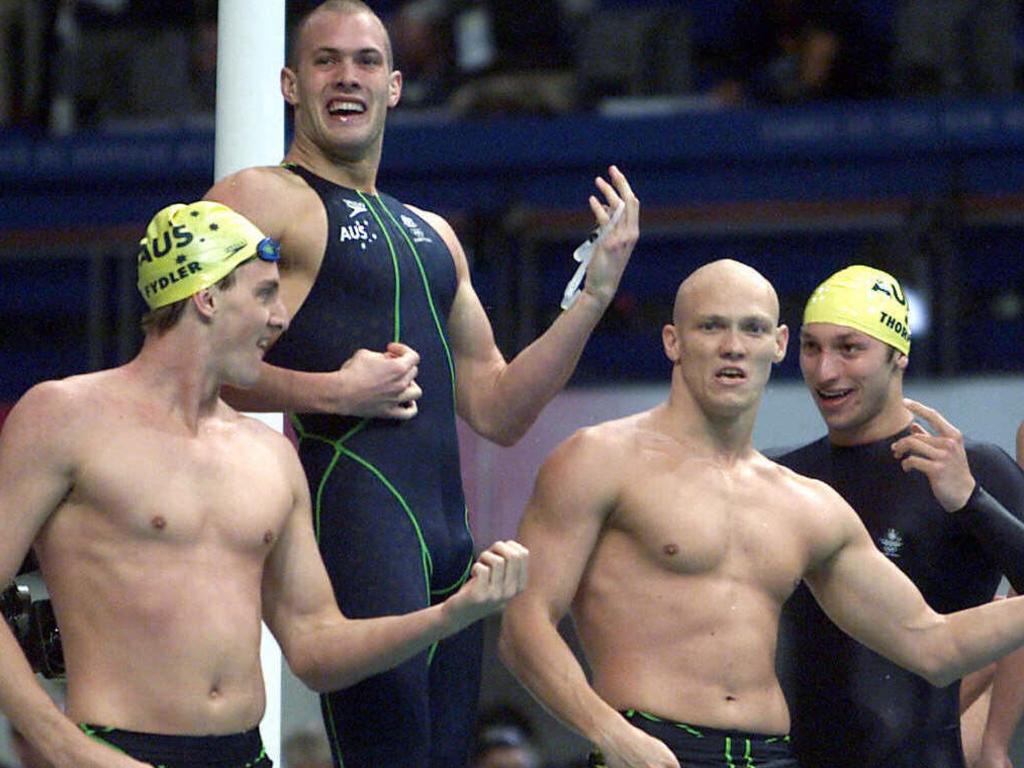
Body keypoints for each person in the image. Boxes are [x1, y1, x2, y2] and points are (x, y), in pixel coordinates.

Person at [203, 1, 639, 766]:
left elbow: (500, 409)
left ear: (397, 85)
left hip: (449, 544)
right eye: (326, 61)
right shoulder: (263, 196)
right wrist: (334, 394)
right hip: (356, 518)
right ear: (289, 83)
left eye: (367, 61)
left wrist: (593, 297)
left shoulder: (434, 234)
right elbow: (195, 356)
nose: (348, 77)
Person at [0, 201, 528, 768]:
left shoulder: (270, 456)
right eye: (264, 294)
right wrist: (65, 749)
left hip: (247, 756)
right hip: (116, 751)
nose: (281, 317)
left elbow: (316, 643)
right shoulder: (64, 416)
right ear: (206, 296)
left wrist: (451, 614)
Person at [499, 258, 1024, 768]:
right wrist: (608, 732)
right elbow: (523, 626)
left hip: (773, 754)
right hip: (652, 746)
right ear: (672, 341)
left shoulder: (805, 502)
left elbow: (932, 644)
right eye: (711, 327)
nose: (733, 347)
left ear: (777, 345)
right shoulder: (597, 458)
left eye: (751, 329)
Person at [774, 264, 1024, 768]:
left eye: (849, 348)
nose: (826, 371)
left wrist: (971, 500)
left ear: (898, 353)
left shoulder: (972, 471)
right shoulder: (784, 479)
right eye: (811, 347)